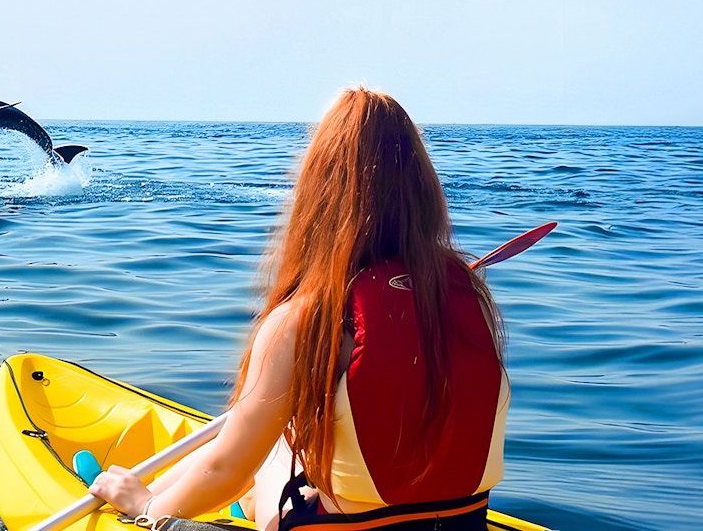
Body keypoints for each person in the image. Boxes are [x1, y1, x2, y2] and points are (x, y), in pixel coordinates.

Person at [90, 87, 508, 531]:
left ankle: (158, 490)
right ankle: (262, 498)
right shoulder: (472, 299)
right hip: (462, 524)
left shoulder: (304, 320)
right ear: (424, 189)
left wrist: (146, 508)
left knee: (274, 446)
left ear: (318, 194)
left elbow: (225, 472)